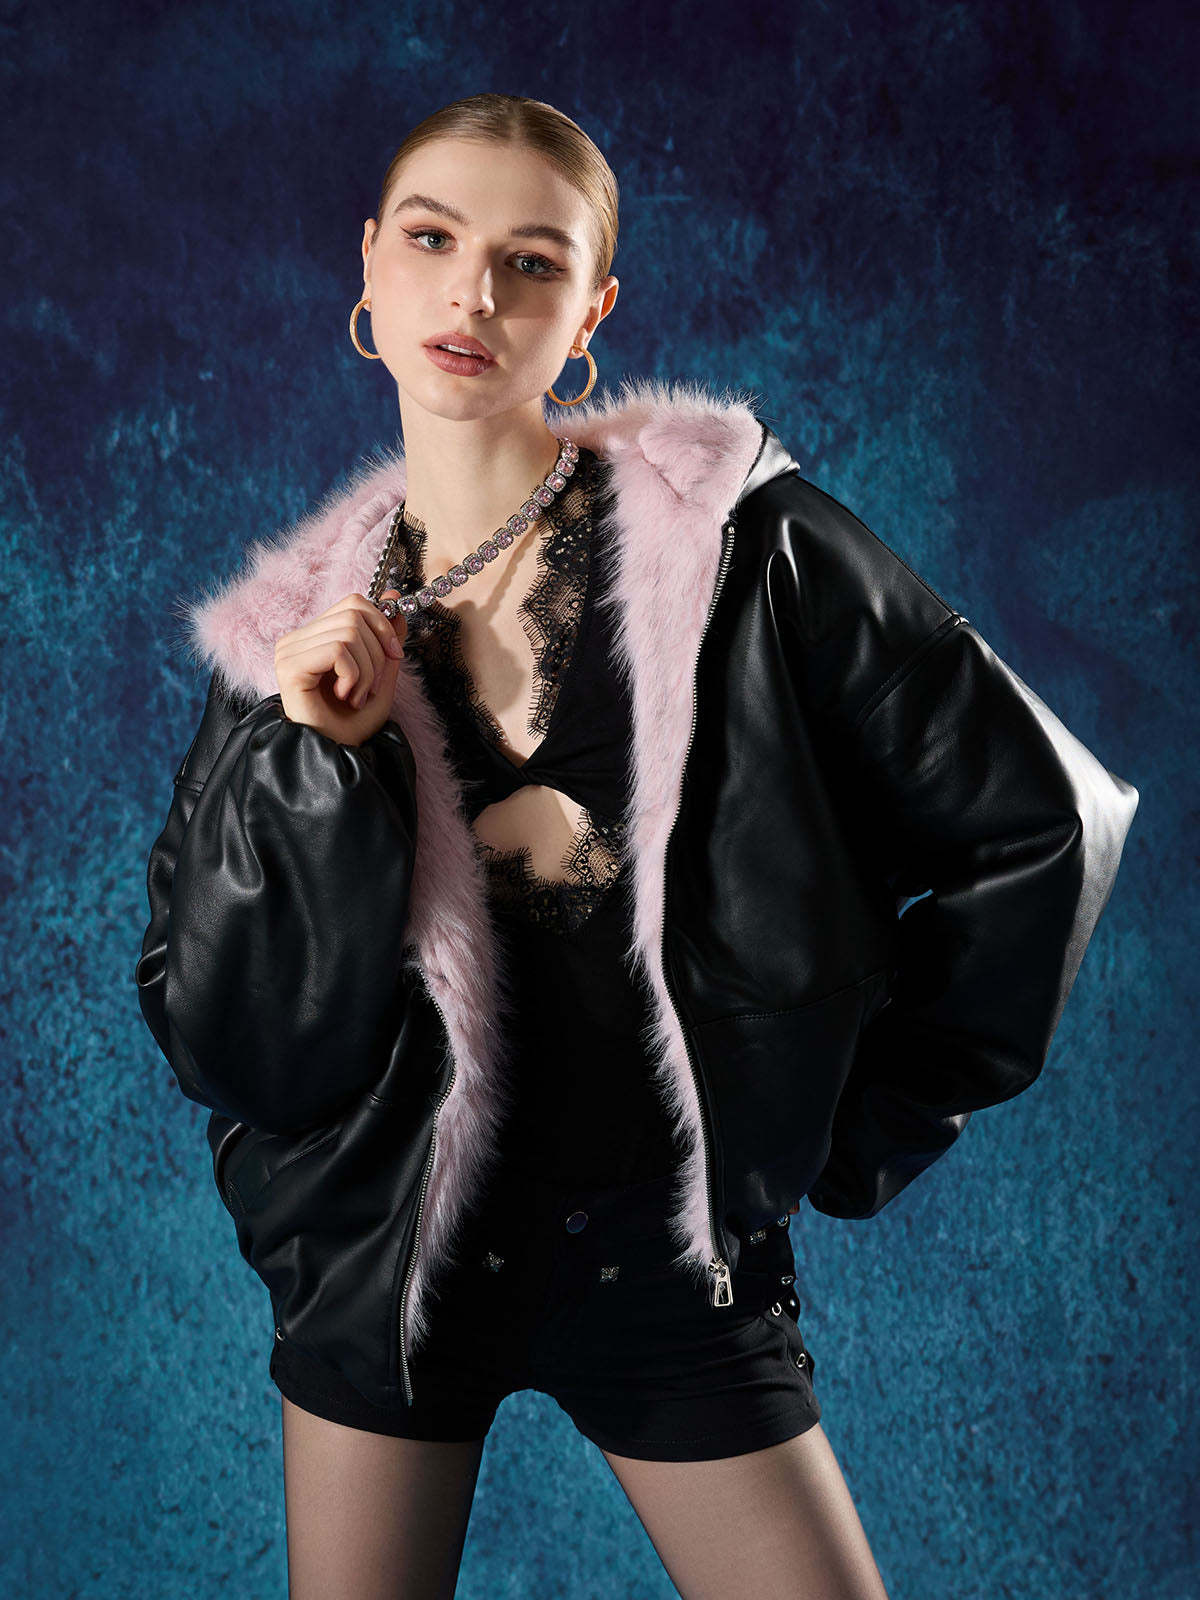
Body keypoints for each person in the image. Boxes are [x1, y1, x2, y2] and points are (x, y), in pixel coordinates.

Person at [134, 93, 1140, 1600]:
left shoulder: (743, 545)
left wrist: (843, 1124)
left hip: (672, 1271)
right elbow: (223, 1036)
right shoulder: (290, 638)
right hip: (391, 1275)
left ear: (594, 309)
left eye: (532, 262)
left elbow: (1049, 822)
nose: (475, 295)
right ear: (372, 266)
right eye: (435, 241)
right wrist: (311, 764)